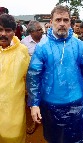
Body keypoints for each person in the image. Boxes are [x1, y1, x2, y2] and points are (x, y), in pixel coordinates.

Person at [26, 5, 83, 143]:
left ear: (70, 22)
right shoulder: (42, 47)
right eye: (58, 20)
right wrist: (34, 104)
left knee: (77, 138)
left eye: (65, 20)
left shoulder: (79, 45)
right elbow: (34, 76)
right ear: (50, 22)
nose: (62, 23)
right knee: (54, 138)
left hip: (76, 102)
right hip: (51, 104)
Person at [0, 13, 30, 143]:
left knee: (13, 137)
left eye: (7, 30)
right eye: (0, 30)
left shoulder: (22, 51)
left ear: (14, 32)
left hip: (13, 105)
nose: (3, 34)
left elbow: (29, 78)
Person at [21, 20, 44, 134]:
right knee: (31, 98)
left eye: (41, 29)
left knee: (45, 97)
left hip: (45, 76)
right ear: (31, 32)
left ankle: (44, 119)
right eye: (39, 30)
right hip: (31, 78)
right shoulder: (23, 43)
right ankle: (33, 121)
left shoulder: (46, 40)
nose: (42, 31)